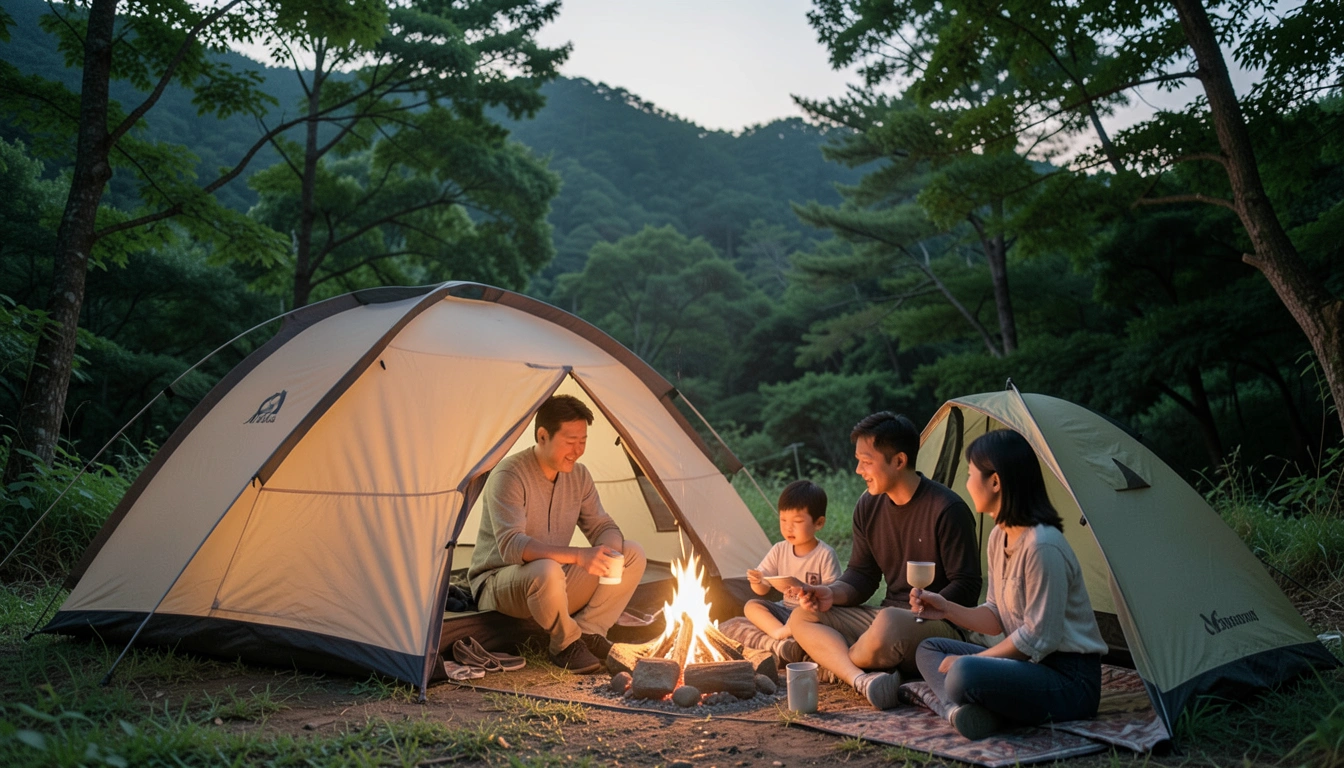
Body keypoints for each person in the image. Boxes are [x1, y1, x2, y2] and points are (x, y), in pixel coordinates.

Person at [911, 429, 1106, 740]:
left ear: (996, 481)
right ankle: (961, 711)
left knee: (963, 672)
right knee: (929, 648)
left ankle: (968, 705)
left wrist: (972, 660)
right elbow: (994, 615)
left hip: (1070, 680)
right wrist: (946, 608)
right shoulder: (997, 536)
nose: (967, 483)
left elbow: (1039, 638)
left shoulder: (1043, 545)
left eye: (970, 473)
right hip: (1027, 666)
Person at [787, 412, 982, 710]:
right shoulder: (868, 505)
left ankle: (836, 661)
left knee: (888, 622)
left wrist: (932, 602)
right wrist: (831, 593)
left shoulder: (947, 509)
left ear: (899, 461)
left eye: (866, 461)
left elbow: (967, 586)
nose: (857, 470)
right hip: (884, 622)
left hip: (937, 624)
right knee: (801, 617)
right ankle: (861, 678)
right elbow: (862, 575)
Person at [468, 394, 647, 674]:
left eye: (583, 441)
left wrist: (610, 553)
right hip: (500, 583)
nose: (577, 451)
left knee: (632, 553)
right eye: (570, 441)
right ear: (542, 436)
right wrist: (580, 556)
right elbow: (513, 547)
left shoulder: (579, 476)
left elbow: (603, 526)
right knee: (547, 570)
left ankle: (588, 633)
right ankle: (564, 644)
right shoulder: (509, 475)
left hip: (550, 579)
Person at [741, 480, 843, 663]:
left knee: (819, 620)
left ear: (818, 523)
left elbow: (833, 594)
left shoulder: (825, 554)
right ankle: (779, 633)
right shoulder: (780, 549)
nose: (788, 527)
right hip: (785, 609)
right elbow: (762, 589)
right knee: (751, 606)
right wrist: (757, 580)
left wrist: (811, 595)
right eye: (783, 520)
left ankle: (794, 634)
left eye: (797, 521)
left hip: (810, 614)